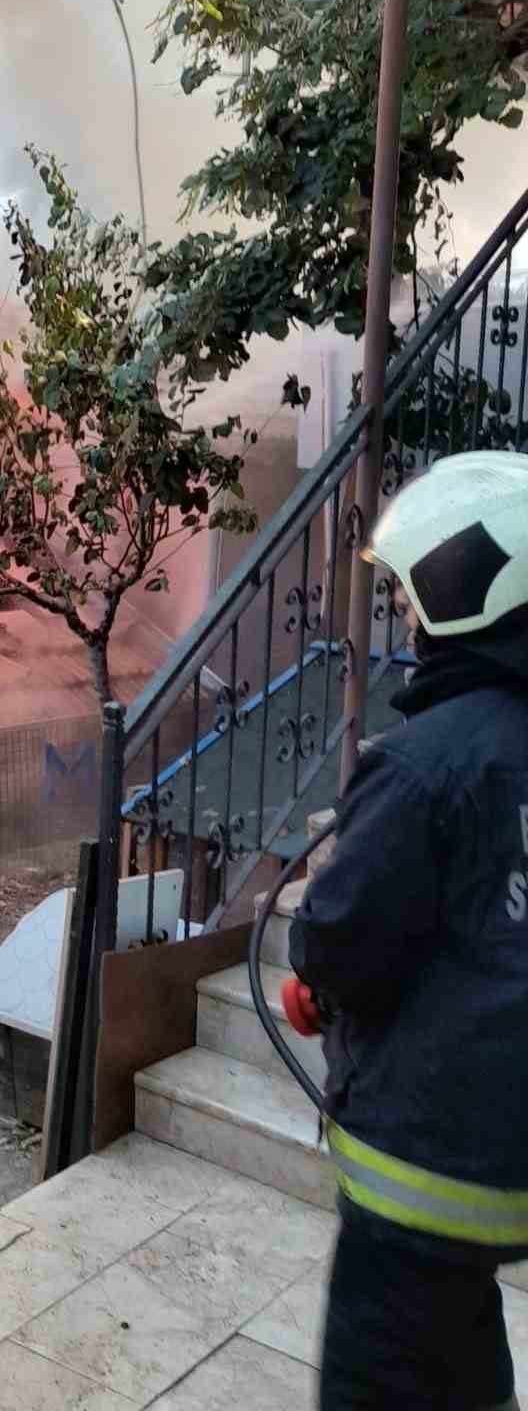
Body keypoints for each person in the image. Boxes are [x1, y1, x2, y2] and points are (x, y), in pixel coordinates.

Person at [290, 450, 528, 1411]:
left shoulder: (425, 763)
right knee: (463, 1363)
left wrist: (309, 962)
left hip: (419, 1173)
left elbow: (340, 940)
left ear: (460, 583)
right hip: (503, 1165)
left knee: (381, 1378)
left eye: (412, 597)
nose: (407, 619)